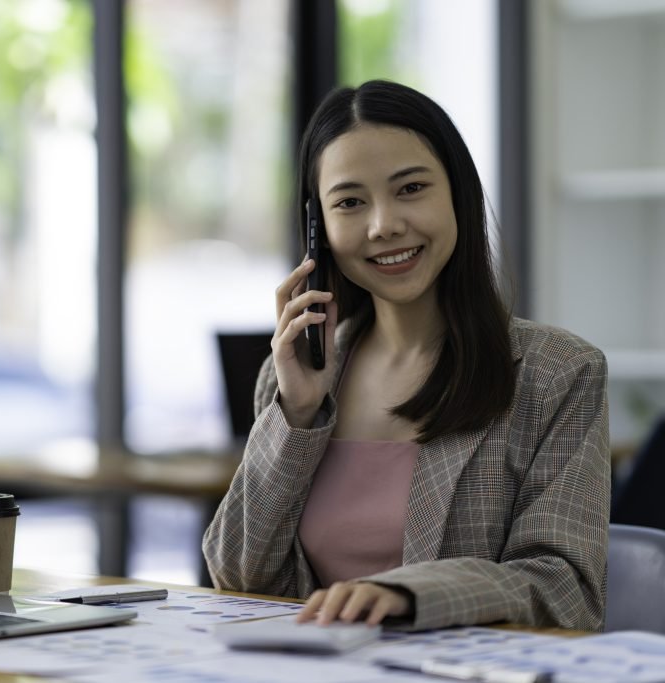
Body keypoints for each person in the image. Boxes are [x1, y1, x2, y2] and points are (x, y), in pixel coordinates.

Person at [202, 80, 610, 632]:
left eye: (411, 188)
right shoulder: (294, 379)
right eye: (350, 202)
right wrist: (295, 416)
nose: (383, 225)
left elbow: (566, 589)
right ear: (318, 230)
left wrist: (409, 594)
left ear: (457, 195)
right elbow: (238, 580)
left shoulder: (559, 373)